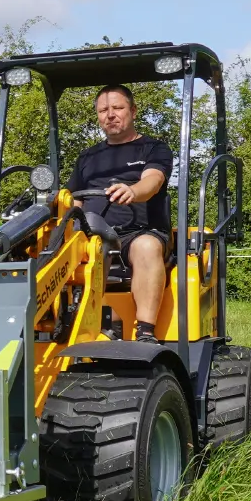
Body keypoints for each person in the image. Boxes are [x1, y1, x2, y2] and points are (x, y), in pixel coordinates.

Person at [67, 84, 174, 343]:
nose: (110, 114)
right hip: (93, 236)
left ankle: (146, 332)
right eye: (103, 110)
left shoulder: (153, 148)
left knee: (146, 247)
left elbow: (153, 181)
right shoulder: (87, 157)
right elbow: (74, 200)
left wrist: (133, 191)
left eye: (117, 107)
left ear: (133, 111)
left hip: (137, 234)